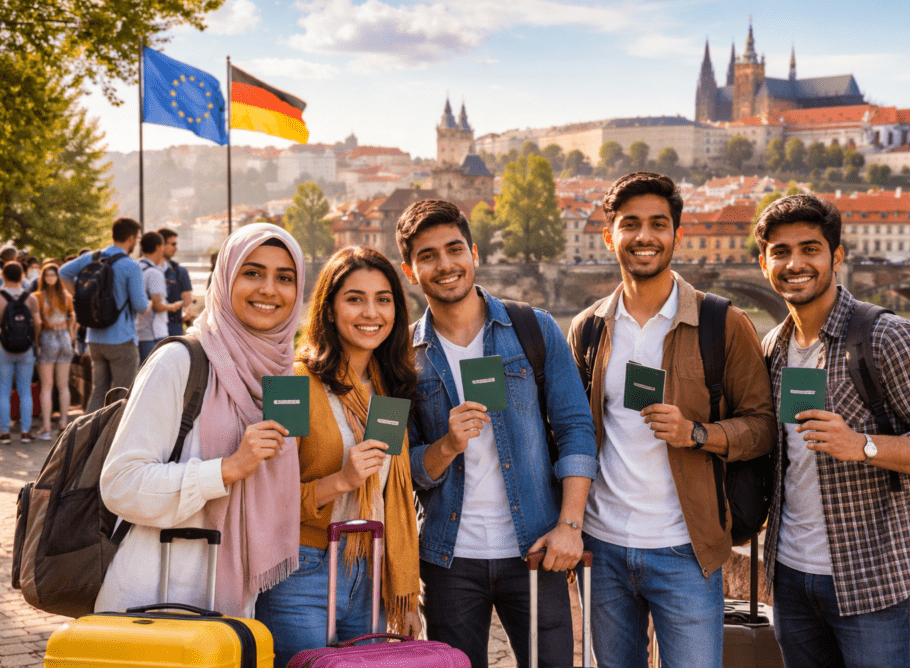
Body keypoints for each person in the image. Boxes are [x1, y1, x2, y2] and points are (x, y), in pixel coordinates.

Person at [566, 172, 776, 668]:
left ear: (676, 235)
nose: (645, 236)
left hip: (686, 547)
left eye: (658, 224)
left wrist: (697, 433)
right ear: (609, 235)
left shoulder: (722, 322)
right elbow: (573, 432)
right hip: (603, 545)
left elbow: (764, 426)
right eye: (630, 224)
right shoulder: (589, 328)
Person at [754, 194, 910, 668]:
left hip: (877, 578)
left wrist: (863, 445)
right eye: (781, 252)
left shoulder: (886, 335)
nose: (795, 263)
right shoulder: (772, 346)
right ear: (764, 263)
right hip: (790, 576)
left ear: (836, 256)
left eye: (810, 249)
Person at [396, 199, 597, 668]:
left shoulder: (534, 328)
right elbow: (395, 466)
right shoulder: (402, 355)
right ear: (410, 271)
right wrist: (446, 447)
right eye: (428, 256)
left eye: (454, 249)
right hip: (447, 560)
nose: (445, 265)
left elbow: (576, 430)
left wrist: (570, 525)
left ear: (475, 254)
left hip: (535, 545)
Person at [95, 223, 306, 618]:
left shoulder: (281, 375)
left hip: (229, 611)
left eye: (285, 277)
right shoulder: (179, 362)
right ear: (225, 279)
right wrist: (226, 469)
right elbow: (120, 485)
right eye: (252, 272)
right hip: (153, 605)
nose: (269, 289)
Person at [255, 246, 421, 667]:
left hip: (374, 568)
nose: (371, 312)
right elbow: (266, 499)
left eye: (383, 299)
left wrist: (408, 596)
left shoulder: (388, 387)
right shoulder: (294, 383)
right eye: (354, 299)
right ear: (328, 310)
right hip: (303, 570)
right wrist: (342, 480)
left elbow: (394, 492)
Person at [59, 217, 149, 412]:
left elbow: (63, 272)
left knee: (98, 390)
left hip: (95, 338)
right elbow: (141, 306)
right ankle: (115, 439)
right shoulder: (131, 266)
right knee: (122, 394)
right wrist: (150, 305)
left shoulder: (91, 257)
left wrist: (80, 299)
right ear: (132, 238)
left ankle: (90, 437)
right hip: (121, 339)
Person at [0, 261, 42, 444]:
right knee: (25, 390)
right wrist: (35, 341)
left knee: (3, 389)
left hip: (3, 347)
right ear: (22, 276)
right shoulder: (30, 298)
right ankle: (25, 431)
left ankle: (4, 432)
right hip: (26, 348)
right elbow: (38, 323)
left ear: (3, 275)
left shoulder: (0, 298)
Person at [34, 261, 76, 440]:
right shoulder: (65, 296)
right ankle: (64, 423)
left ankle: (46, 427)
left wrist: (36, 341)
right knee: (63, 385)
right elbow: (72, 316)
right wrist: (71, 333)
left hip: (48, 337)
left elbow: (37, 321)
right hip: (65, 338)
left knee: (47, 386)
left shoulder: (38, 296)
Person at [136, 231, 181, 363]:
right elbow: (158, 306)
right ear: (158, 247)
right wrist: (173, 306)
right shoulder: (155, 273)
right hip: (155, 334)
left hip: (138, 331)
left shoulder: (136, 268)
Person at [158, 228, 193, 337]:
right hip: (151, 332)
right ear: (161, 245)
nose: (176, 248)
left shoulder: (180, 271)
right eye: (173, 244)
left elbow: (188, 302)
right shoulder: (146, 269)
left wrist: (186, 313)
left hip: (173, 329)